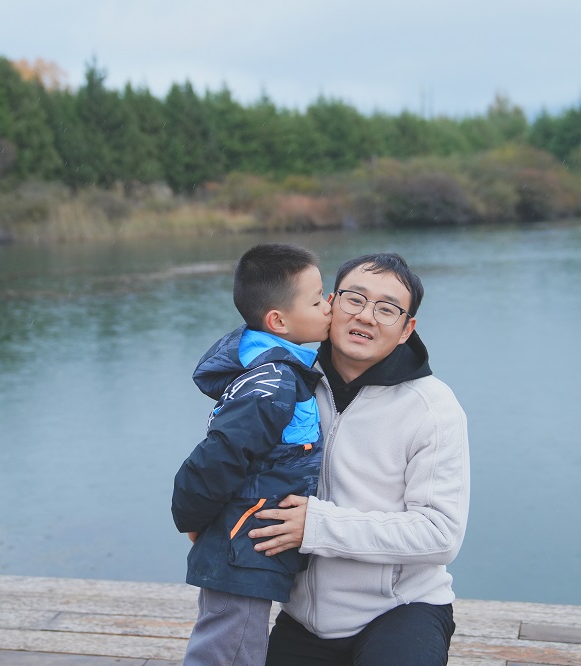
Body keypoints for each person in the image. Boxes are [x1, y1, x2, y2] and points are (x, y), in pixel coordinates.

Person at [247, 252, 470, 666]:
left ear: (406, 329)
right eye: (355, 299)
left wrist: (319, 526)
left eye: (387, 309)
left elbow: (440, 534)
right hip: (302, 617)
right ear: (330, 304)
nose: (366, 316)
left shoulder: (433, 408)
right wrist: (201, 511)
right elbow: (234, 458)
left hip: (402, 609)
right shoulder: (286, 382)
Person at [172, 243, 333, 666]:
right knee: (229, 653)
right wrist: (193, 517)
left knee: (231, 646)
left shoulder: (276, 367)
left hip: (243, 541)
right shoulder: (273, 383)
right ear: (278, 321)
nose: (329, 306)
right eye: (318, 300)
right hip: (241, 544)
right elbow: (220, 453)